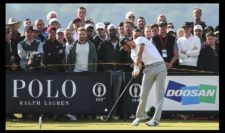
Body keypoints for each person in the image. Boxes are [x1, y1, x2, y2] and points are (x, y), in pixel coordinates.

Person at [120, 28, 167, 126]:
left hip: (160, 66)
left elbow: (140, 53)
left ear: (127, 42)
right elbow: (139, 62)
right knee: (143, 94)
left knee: (159, 94)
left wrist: (136, 68)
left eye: (124, 47)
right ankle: (140, 116)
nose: (124, 49)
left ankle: (155, 120)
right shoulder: (132, 53)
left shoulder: (140, 39)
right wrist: (135, 70)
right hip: (148, 69)